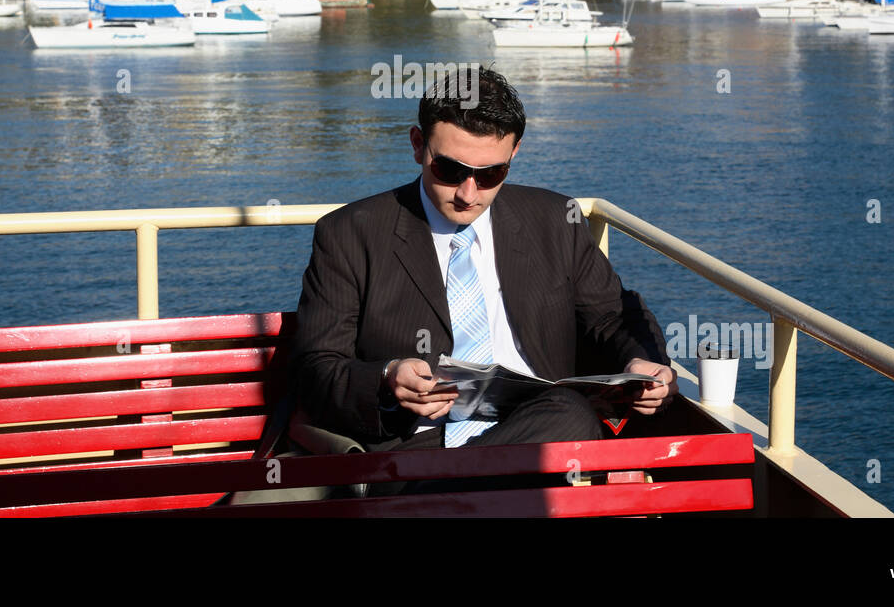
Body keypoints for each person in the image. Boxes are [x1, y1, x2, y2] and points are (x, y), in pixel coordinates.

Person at [290, 67, 676, 454]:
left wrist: (639, 363)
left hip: (538, 425)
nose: (468, 193)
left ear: (515, 153)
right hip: (417, 443)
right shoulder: (349, 233)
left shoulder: (557, 219)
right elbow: (316, 369)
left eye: (491, 173)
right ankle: (454, 491)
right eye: (450, 170)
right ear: (417, 144)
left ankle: (443, 496)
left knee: (568, 414)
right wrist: (387, 379)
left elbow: (612, 317)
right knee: (571, 419)